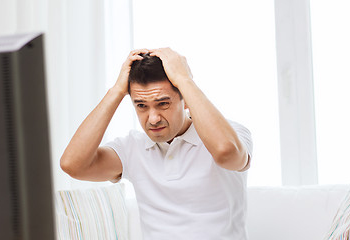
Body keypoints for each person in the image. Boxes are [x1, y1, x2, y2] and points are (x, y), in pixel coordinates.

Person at [60, 48, 253, 240]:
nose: (153, 119)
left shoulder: (232, 133)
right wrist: (117, 90)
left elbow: (226, 153)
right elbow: (73, 165)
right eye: (142, 105)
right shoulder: (132, 147)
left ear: (186, 100)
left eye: (163, 104)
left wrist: (185, 80)